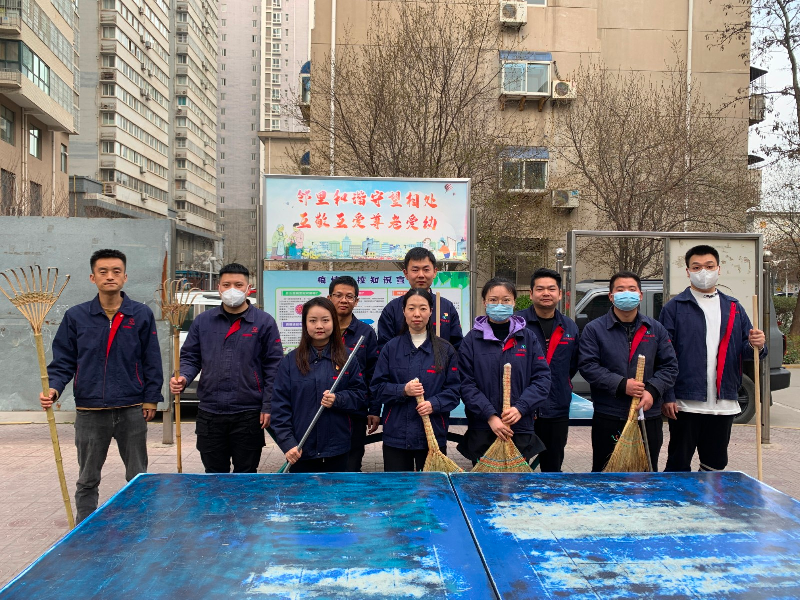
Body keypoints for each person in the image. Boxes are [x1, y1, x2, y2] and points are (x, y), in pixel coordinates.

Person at [41, 249, 163, 523]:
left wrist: (151, 398)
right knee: (87, 477)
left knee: (138, 476)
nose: (110, 276)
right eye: (103, 271)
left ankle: (141, 524)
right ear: (92, 277)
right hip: (90, 410)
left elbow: (151, 360)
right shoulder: (76, 316)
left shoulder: (140, 314)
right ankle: (84, 529)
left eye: (116, 271)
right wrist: (54, 388)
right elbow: (64, 361)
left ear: (125, 277)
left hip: (131, 408)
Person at [660, 245, 767, 472]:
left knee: (715, 465)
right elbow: (664, 356)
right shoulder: (674, 308)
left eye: (709, 266)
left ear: (719, 269)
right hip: (685, 403)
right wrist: (667, 395)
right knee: (678, 464)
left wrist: (757, 344)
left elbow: (748, 350)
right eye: (696, 267)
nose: (704, 272)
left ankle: (707, 495)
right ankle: (680, 496)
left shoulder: (733, 307)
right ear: (687, 271)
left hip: (723, 402)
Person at [170, 263, 283, 474]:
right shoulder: (203, 321)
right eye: (226, 284)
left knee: (246, 473)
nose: (232, 290)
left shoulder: (264, 322)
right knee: (214, 473)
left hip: (248, 413)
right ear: (219, 288)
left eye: (238, 285)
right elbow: (191, 358)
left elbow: (273, 367)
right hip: (210, 412)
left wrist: (268, 406)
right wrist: (183, 377)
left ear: (248, 288)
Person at [578, 271, 678, 472]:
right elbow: (588, 366)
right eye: (620, 289)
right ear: (611, 296)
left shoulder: (655, 329)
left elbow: (670, 366)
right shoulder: (594, 329)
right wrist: (622, 384)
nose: (626, 293)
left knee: (645, 475)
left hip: (647, 416)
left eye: (632, 289)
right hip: (609, 414)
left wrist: (652, 391)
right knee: (605, 474)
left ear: (640, 295)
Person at [458, 277, 551, 465]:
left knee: (516, 483)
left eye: (506, 300)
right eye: (493, 300)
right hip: (483, 428)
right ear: (484, 302)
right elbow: (465, 383)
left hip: (520, 427)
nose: (499, 305)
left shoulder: (528, 338)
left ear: (514, 302)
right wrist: (490, 416)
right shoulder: (472, 340)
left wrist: (520, 408)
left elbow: (542, 379)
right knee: (483, 482)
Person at [271, 297, 367, 473]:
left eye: (325, 320)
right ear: (305, 324)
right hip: (301, 449)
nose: (319, 326)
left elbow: (360, 396)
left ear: (334, 322)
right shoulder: (290, 362)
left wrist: (338, 399)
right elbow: (279, 406)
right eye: (313, 321)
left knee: (337, 490)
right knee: (304, 492)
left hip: (338, 448)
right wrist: (287, 443)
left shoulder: (347, 358)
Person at [371, 289, 460, 471]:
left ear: (431, 311)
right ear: (404, 311)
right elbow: (377, 388)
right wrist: (403, 390)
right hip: (396, 435)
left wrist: (434, 404)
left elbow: (454, 391)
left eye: (423, 308)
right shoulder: (390, 348)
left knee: (431, 487)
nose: (417, 314)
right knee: (398, 487)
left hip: (432, 434)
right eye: (411, 308)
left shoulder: (445, 350)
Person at [515, 268, 579, 472]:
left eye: (551, 289)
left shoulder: (569, 327)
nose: (546, 293)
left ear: (560, 294)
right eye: (540, 289)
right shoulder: (516, 324)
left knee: (552, 469)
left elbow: (573, 364)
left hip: (556, 409)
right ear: (531, 293)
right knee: (517, 470)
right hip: (521, 410)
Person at [327, 275, 380, 472]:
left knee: (351, 465)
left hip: (355, 410)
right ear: (329, 298)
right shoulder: (321, 329)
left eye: (349, 296)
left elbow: (374, 374)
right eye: (338, 295)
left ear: (356, 301)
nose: (344, 300)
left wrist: (374, 409)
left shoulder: (366, 333)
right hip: (324, 408)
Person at [377, 247, 463, 350]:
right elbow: (384, 350)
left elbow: (457, 347)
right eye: (415, 270)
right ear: (406, 273)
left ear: (435, 272)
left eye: (426, 270)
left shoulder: (446, 307)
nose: (421, 275)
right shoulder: (392, 309)